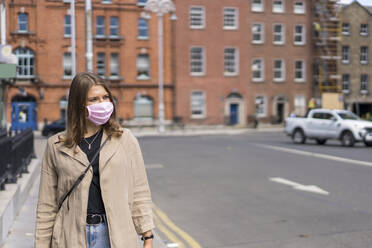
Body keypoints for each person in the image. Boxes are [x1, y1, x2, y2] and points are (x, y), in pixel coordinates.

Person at [35, 72, 154, 248]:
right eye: (94, 99)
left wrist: (147, 237)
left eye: (106, 97)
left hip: (115, 235)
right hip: (71, 236)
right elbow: (47, 205)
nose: (103, 104)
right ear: (79, 105)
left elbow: (139, 191)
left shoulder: (125, 139)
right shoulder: (56, 145)